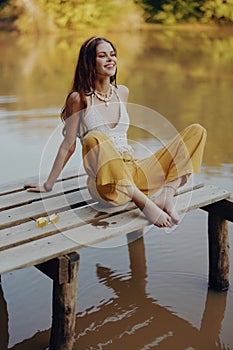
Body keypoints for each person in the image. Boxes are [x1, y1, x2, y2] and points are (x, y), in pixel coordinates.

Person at [24, 36, 207, 228]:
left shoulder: (122, 92)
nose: (110, 59)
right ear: (89, 63)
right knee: (94, 138)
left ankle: (166, 195)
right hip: (107, 187)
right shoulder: (79, 99)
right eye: (102, 56)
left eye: (113, 55)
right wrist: (48, 185)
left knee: (196, 132)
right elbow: (68, 145)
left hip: (134, 171)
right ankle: (145, 204)